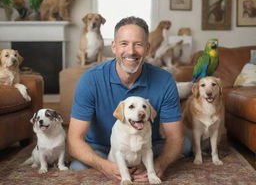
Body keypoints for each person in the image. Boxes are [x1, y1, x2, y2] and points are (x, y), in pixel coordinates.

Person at [68, 16, 191, 183]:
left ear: (147, 48)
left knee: (184, 144)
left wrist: (158, 165)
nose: (131, 51)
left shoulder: (164, 80)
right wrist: (104, 166)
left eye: (138, 44)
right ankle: (119, 167)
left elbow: (175, 138)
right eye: (124, 43)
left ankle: (143, 165)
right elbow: (74, 140)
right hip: (101, 148)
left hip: (145, 145)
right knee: (78, 166)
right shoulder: (90, 79)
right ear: (114, 47)